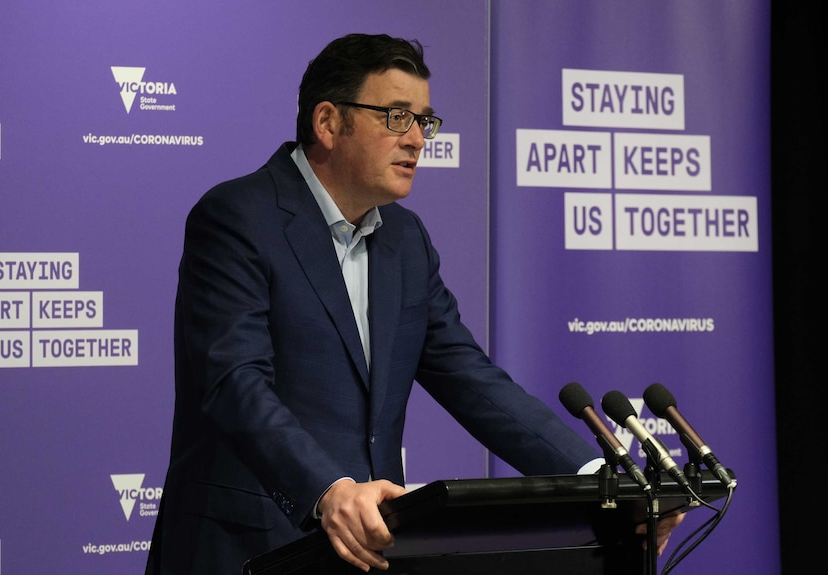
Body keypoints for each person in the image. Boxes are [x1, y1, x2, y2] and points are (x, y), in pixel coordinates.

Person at [144, 33, 683, 575]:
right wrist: (327, 489)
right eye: (396, 116)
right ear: (328, 122)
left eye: (423, 120)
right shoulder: (239, 218)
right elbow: (235, 383)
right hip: (245, 546)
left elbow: (469, 377)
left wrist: (599, 481)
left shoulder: (404, 239)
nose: (417, 139)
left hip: (369, 547)